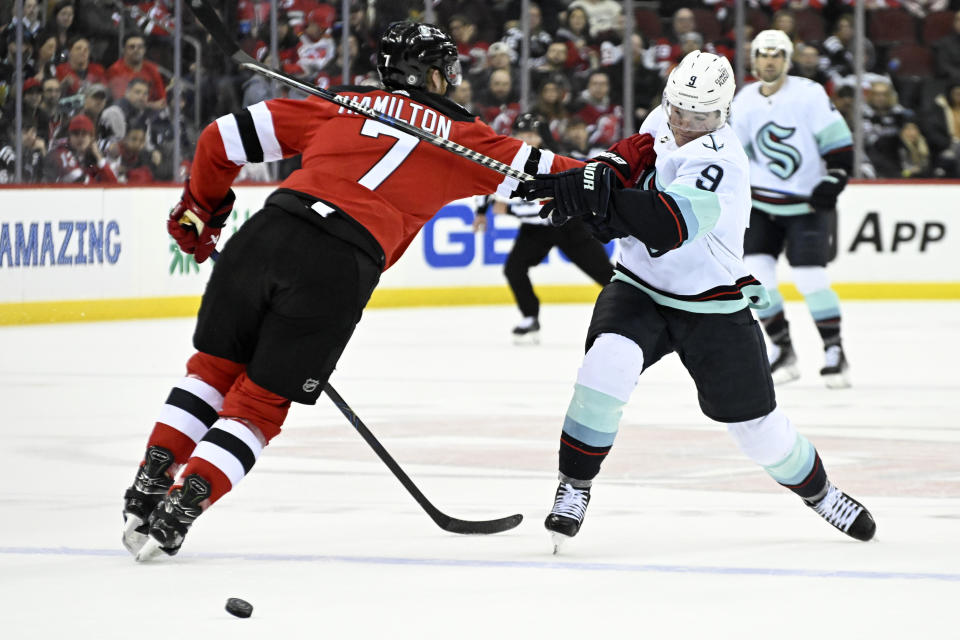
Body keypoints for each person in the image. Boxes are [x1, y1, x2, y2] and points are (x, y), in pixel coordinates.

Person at [121, 21, 585, 562]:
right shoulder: (469, 139)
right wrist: (630, 179)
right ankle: (186, 499)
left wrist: (202, 208)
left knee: (213, 371)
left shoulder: (339, 104)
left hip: (269, 231)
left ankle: (153, 474)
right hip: (339, 265)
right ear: (434, 74)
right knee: (259, 408)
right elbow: (563, 176)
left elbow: (219, 140)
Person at [527, 50, 876, 552]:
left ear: (724, 113)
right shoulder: (665, 116)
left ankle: (821, 493)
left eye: (702, 117)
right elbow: (635, 153)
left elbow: (666, 223)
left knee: (758, 431)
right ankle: (574, 485)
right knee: (606, 367)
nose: (687, 125)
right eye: (680, 112)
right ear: (668, 99)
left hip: (712, 305)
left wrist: (598, 201)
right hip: (640, 288)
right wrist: (597, 172)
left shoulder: (723, 161)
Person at [731, 30, 854, 388]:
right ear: (753, 60)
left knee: (810, 278)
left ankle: (835, 350)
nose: (769, 61)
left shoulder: (809, 94)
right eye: (763, 55)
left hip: (806, 204)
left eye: (776, 55)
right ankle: (783, 349)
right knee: (756, 279)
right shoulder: (744, 100)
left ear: (787, 59)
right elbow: (737, 155)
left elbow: (839, 145)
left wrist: (835, 179)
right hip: (761, 204)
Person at [473, 112, 613, 342]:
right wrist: (481, 211)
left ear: (542, 137)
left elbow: (543, 205)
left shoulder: (554, 160)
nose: (526, 140)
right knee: (513, 269)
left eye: (531, 135)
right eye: (521, 134)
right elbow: (490, 183)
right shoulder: (512, 159)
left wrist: (507, 210)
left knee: (605, 273)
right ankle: (530, 316)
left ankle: (634, 308)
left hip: (568, 226)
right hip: (535, 231)